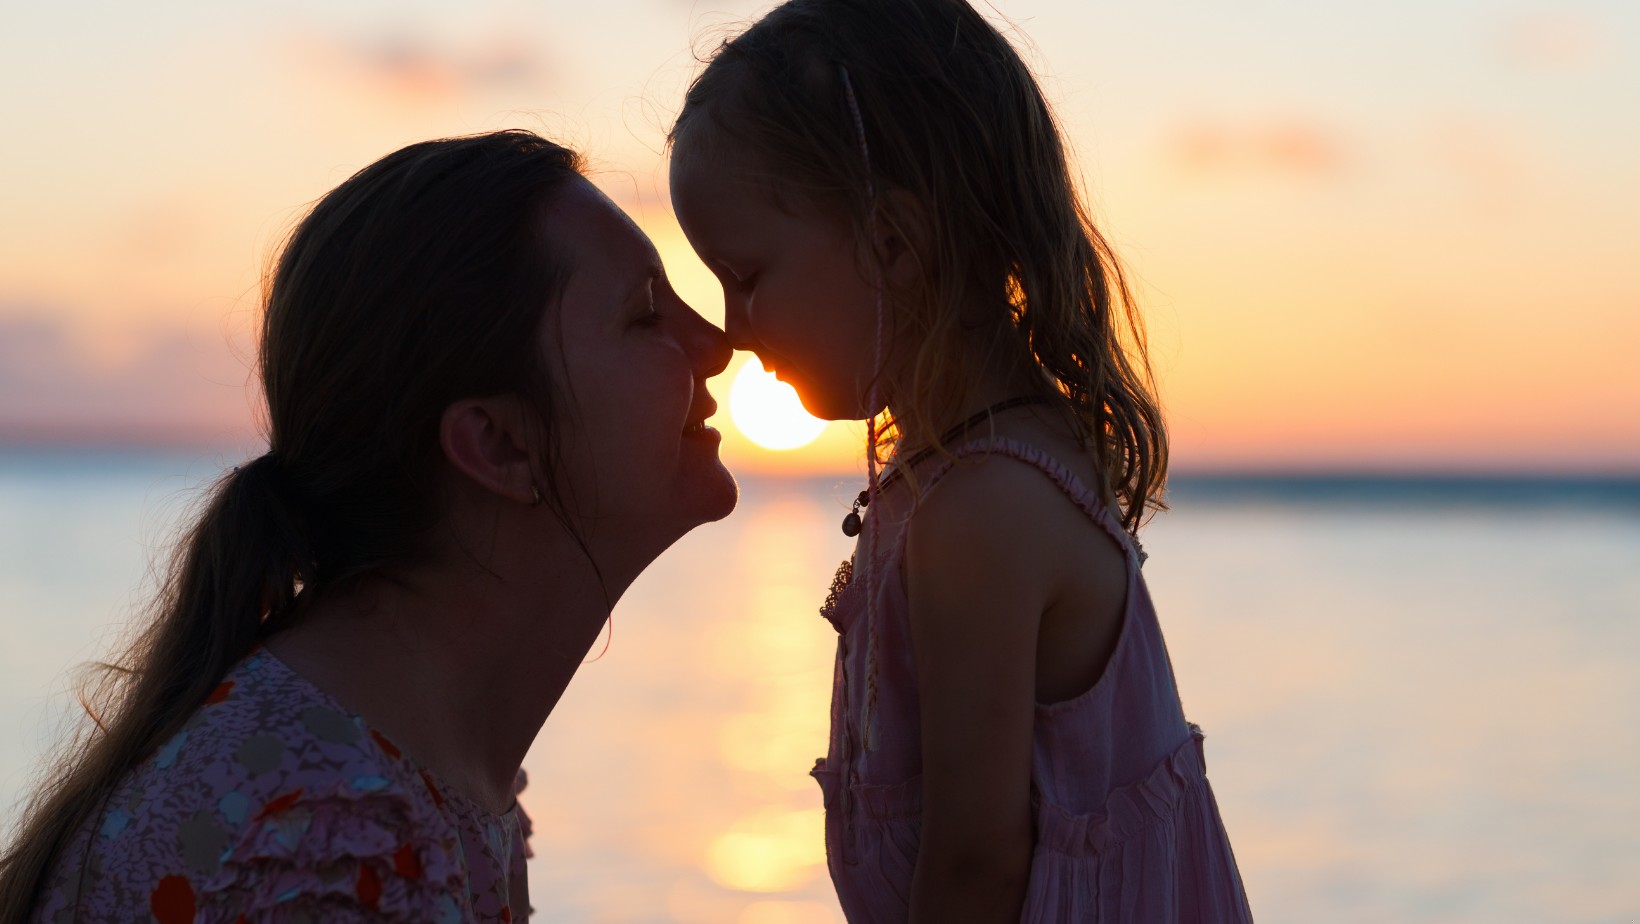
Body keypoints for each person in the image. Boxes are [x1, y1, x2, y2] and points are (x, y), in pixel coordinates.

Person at [0, 130, 735, 922]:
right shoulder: (329, 843)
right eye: (645, 315)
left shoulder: (400, 775)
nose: (718, 345)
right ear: (498, 444)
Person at [668, 1, 1253, 921]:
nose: (734, 330)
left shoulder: (981, 511)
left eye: (747, 276)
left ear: (893, 245)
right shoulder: (967, 478)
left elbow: (976, 868)